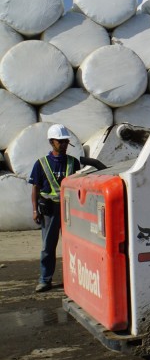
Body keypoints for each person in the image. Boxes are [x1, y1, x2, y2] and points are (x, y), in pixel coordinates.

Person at [29, 124, 79, 292]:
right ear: (52, 142)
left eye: (66, 141)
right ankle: (45, 279)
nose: (64, 144)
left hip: (69, 211)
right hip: (50, 211)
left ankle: (74, 278)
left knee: (73, 246)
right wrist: (35, 210)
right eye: (60, 141)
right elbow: (35, 188)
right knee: (48, 247)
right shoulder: (41, 164)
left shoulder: (74, 162)